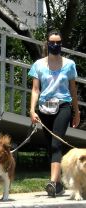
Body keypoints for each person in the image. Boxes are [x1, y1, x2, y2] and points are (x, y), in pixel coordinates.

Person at [28, 30, 80, 197]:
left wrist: (76, 111)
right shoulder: (38, 65)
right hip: (44, 108)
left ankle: (52, 182)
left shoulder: (69, 64)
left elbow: (73, 89)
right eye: (52, 42)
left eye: (58, 42)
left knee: (56, 144)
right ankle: (58, 184)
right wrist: (32, 110)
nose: (55, 45)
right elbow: (36, 89)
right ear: (47, 44)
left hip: (63, 106)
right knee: (51, 146)